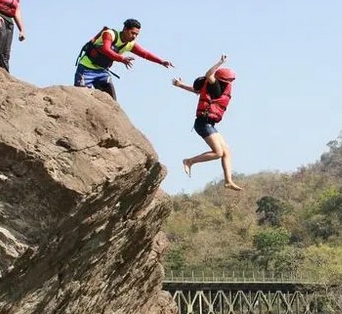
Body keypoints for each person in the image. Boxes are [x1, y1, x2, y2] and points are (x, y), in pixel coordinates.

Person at [172, 54, 243, 191]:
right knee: (218, 153)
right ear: (223, 79)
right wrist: (219, 63)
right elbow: (208, 74)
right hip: (203, 123)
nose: (230, 83)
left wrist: (181, 85)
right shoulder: (214, 84)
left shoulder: (220, 89)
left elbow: (197, 91)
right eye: (228, 80)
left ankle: (228, 181)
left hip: (210, 124)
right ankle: (189, 161)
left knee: (226, 151)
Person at [75, 19, 173, 100]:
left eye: (136, 34)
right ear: (125, 29)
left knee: (111, 102)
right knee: (81, 98)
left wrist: (161, 61)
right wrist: (121, 58)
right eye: (132, 33)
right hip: (86, 69)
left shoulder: (130, 44)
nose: (134, 36)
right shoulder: (110, 34)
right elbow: (106, 49)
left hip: (102, 72)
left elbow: (145, 54)